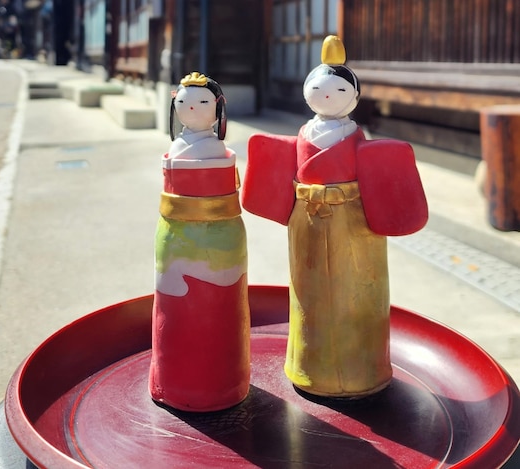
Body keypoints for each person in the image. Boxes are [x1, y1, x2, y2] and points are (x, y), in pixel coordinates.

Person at [241, 36, 428, 398]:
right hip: (306, 221)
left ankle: (364, 369)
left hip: (353, 221)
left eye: (338, 88)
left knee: (357, 291)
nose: (327, 94)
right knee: (307, 292)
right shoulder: (306, 135)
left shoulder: (353, 137)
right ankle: (307, 366)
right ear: (307, 91)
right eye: (318, 87)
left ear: (354, 98)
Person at [149, 72, 250, 412]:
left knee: (218, 308)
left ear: (217, 108)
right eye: (184, 102)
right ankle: (172, 382)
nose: (192, 107)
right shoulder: (194, 148)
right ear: (175, 103)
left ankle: (220, 384)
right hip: (176, 231)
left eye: (203, 102)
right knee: (176, 313)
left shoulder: (215, 149)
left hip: (217, 232)